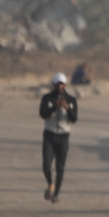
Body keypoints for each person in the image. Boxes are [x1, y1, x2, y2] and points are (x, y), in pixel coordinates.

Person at [39, 72, 79, 204]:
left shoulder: (71, 100)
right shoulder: (47, 98)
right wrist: (54, 107)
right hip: (49, 135)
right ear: (54, 84)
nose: (60, 86)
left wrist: (66, 108)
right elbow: (42, 114)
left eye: (62, 84)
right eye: (58, 84)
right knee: (46, 164)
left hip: (63, 137)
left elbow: (74, 119)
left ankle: (55, 194)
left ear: (66, 85)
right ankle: (50, 184)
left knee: (60, 167)